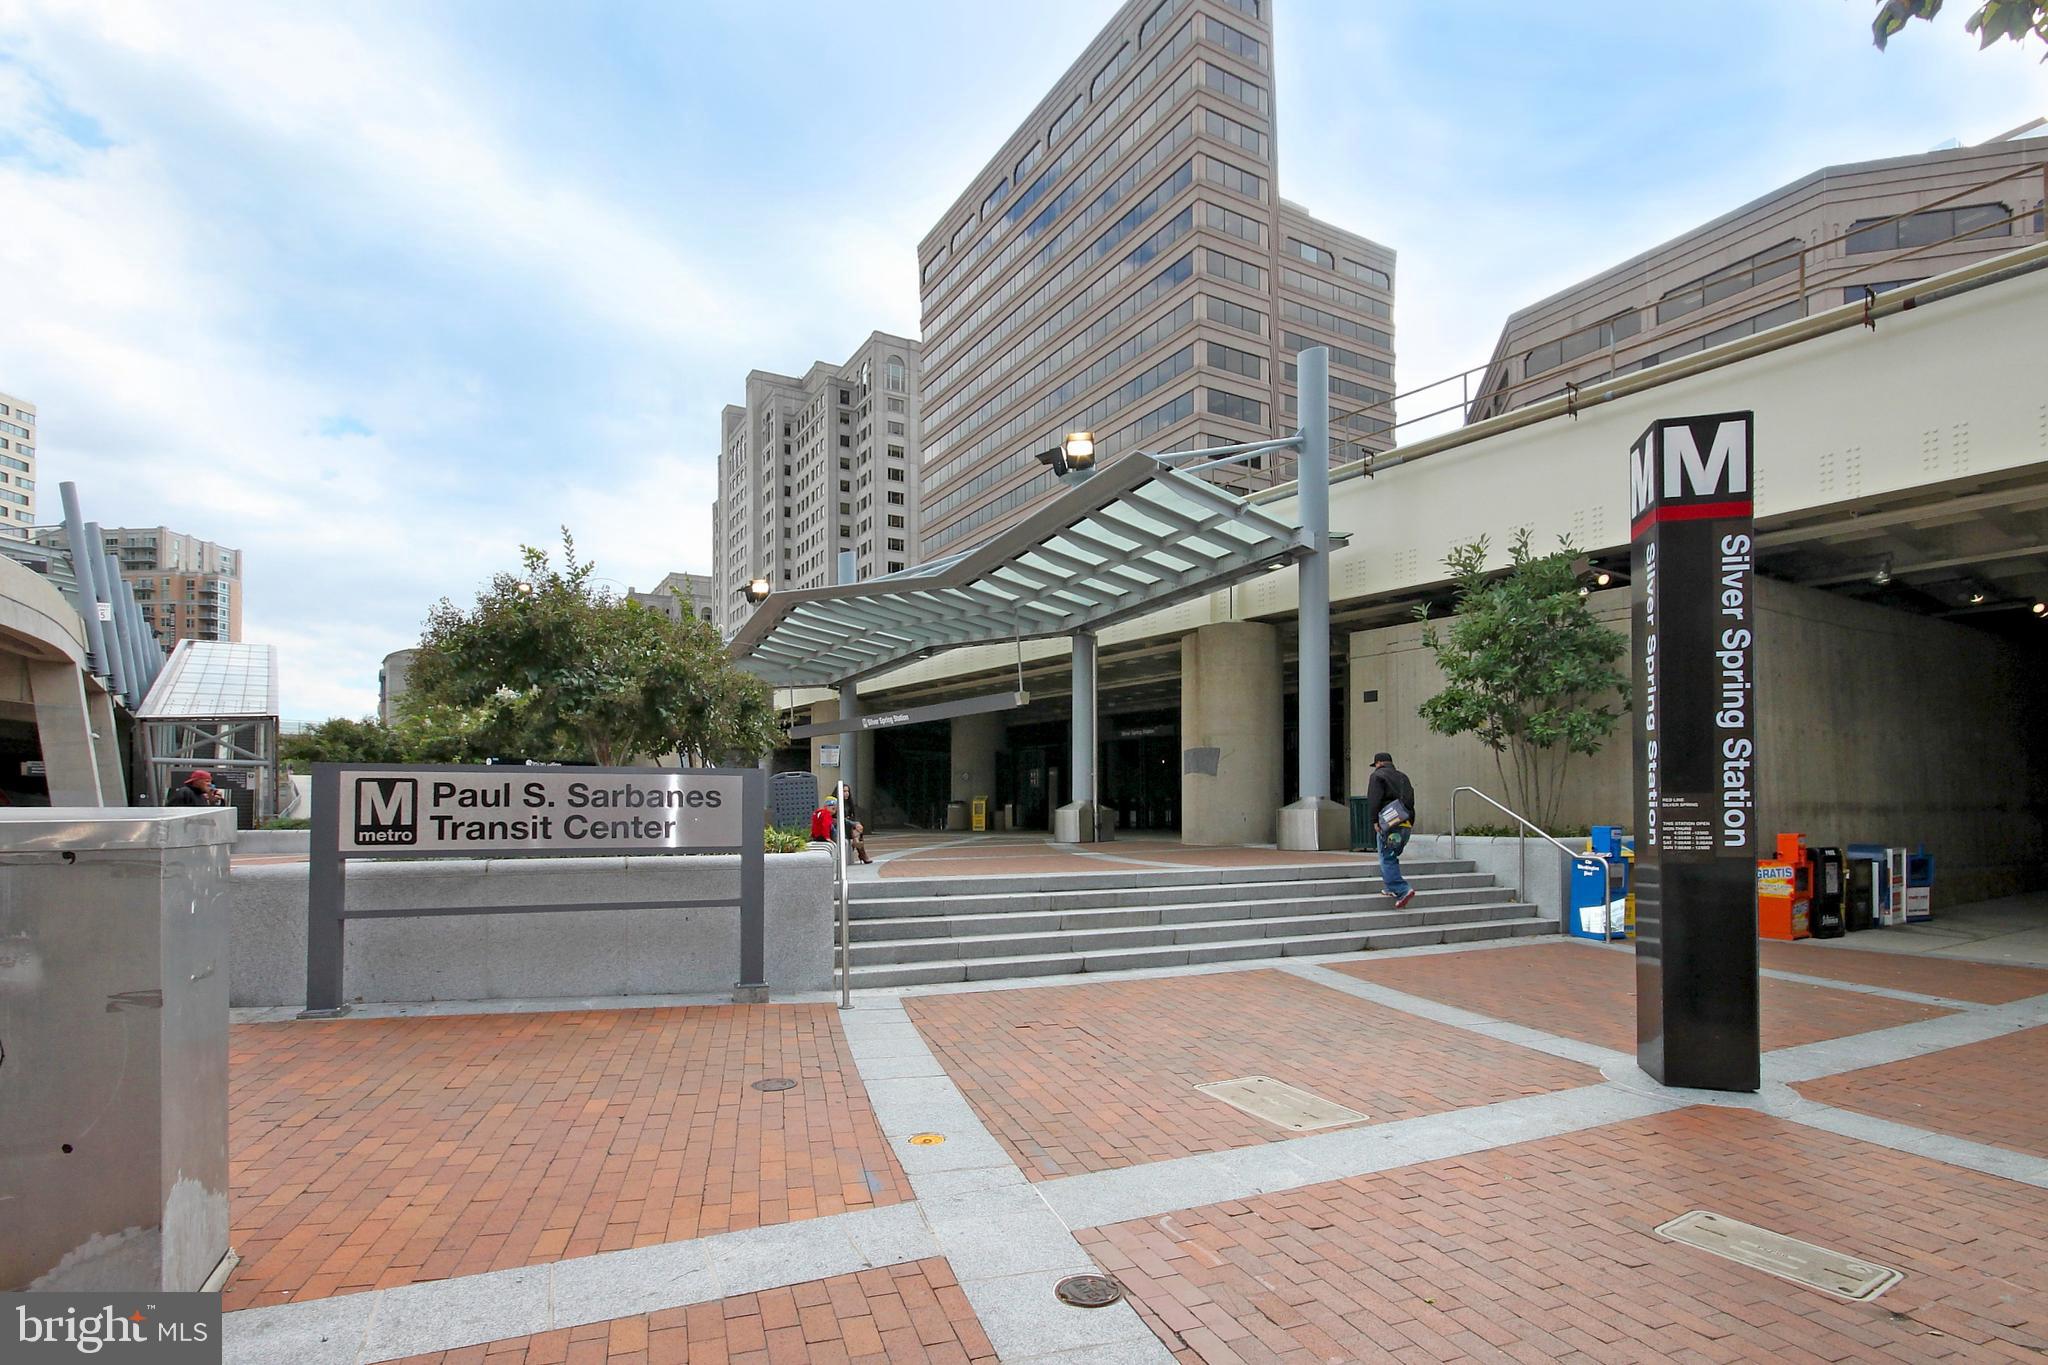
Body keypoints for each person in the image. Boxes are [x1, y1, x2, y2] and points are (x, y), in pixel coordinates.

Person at [1364, 752, 1416, 909]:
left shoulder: (1377, 776)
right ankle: (1389, 888)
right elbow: (1411, 800)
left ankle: (1402, 889)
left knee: (1387, 857)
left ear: (1378, 763)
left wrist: (1374, 820)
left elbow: (1374, 800)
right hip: (1405, 823)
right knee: (1392, 855)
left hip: (1389, 824)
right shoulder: (1403, 777)